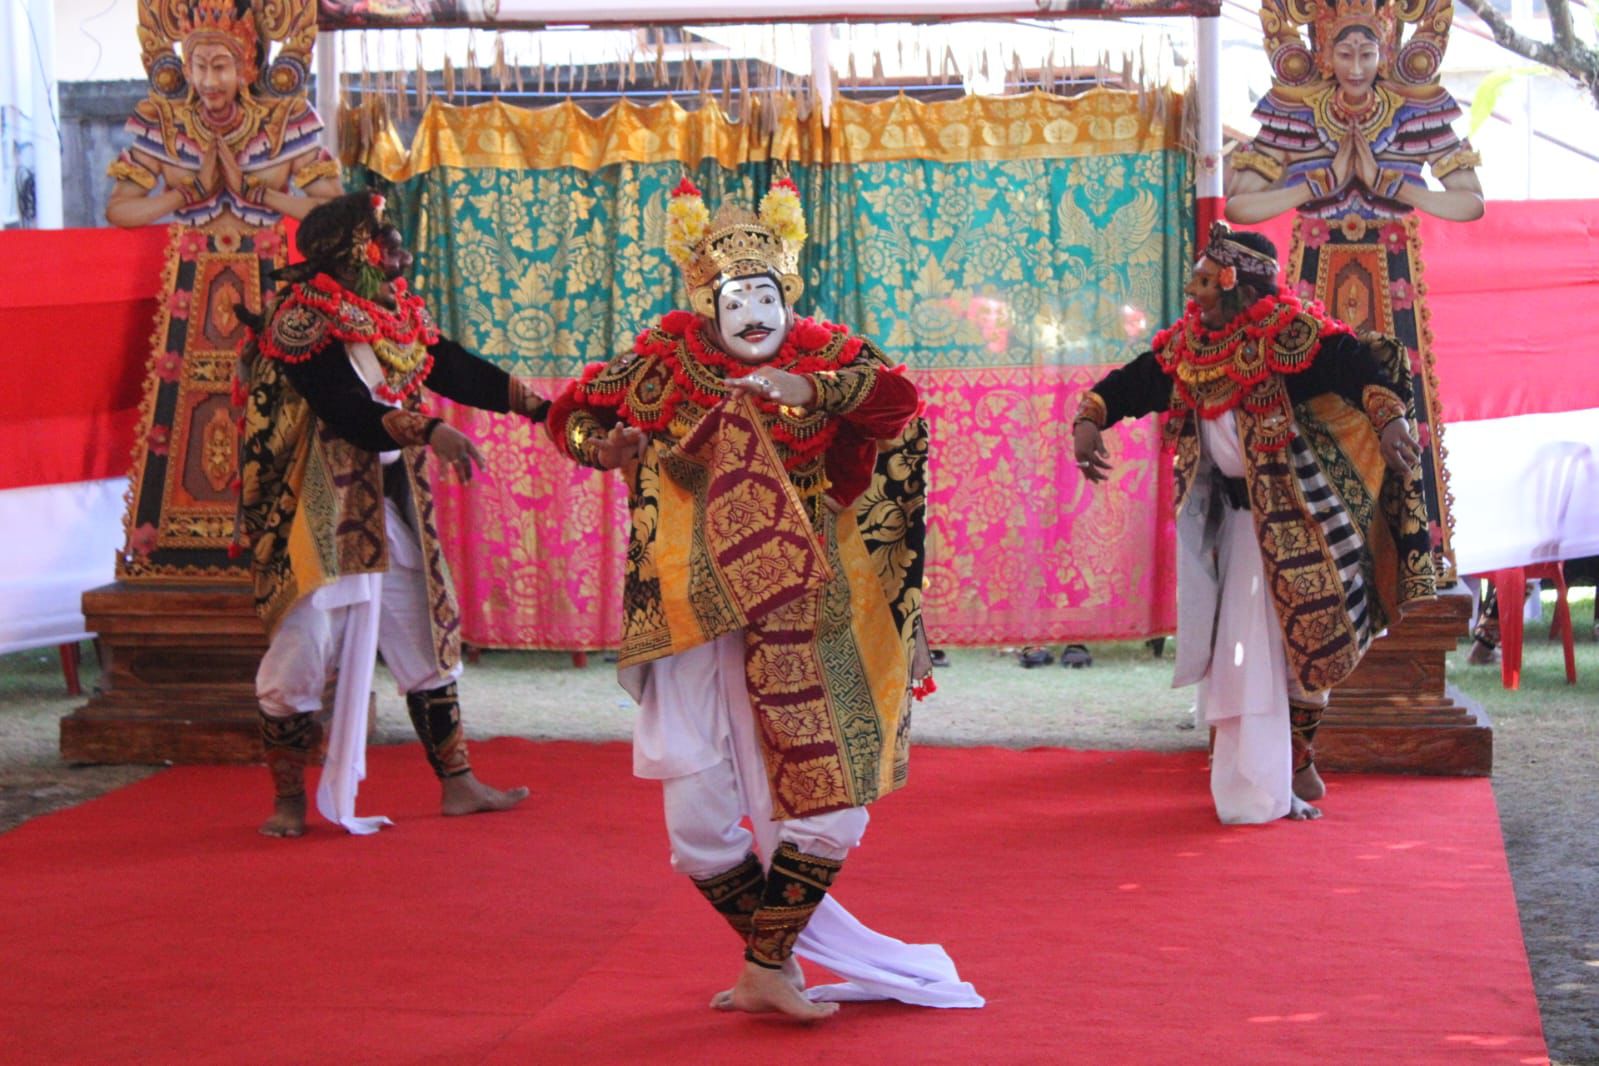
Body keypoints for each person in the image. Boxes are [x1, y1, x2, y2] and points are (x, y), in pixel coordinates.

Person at [545, 177, 979, 1020]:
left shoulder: (827, 358)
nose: (753, 311)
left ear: (787, 294)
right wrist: (604, 448)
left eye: (765, 294)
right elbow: (568, 416)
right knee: (695, 821)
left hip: (806, 612)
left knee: (830, 800)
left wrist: (805, 391)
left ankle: (767, 966)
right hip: (693, 613)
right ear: (707, 306)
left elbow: (900, 404)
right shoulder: (662, 364)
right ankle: (769, 967)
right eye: (735, 297)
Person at [1074, 222, 1435, 823]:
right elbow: (1138, 381)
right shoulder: (1189, 347)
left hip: (1300, 521)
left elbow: (1354, 364)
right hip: (1231, 529)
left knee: (1308, 646)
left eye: (1205, 280)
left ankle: (1295, 759)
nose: (1194, 292)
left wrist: (1391, 418)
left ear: (1236, 284)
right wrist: (1093, 416)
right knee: (1239, 654)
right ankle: (1261, 774)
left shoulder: (1289, 336)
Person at [235, 191, 548, 838]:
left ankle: (459, 784)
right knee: (300, 653)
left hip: (390, 500)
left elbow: (451, 366)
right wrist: (429, 432)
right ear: (352, 251)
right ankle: (288, 799)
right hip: (317, 507)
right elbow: (342, 406)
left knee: (426, 635)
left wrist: (544, 410)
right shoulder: (301, 318)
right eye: (385, 239)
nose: (399, 250)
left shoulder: (391, 311)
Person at [1225, 0, 1483, 583]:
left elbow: (1470, 202)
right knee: (1316, 399)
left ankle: (1413, 556)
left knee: (1396, 403)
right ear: (1322, 50)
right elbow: (1239, 203)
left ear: (1387, 48)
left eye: (1367, 52)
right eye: (1345, 52)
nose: (1357, 65)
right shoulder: (1297, 108)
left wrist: (1391, 185)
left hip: (1390, 272)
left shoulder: (1416, 107)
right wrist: (1320, 183)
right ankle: (1322, 550)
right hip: (1317, 264)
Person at [106, 0, 340, 231]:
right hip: (188, 262)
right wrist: (191, 192)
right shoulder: (166, 125)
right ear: (187, 70)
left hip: (266, 261)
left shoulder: (282, 123)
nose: (209, 82)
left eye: (220, 67)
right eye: (200, 66)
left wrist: (256, 193)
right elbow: (118, 210)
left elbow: (335, 212)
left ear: (245, 69)